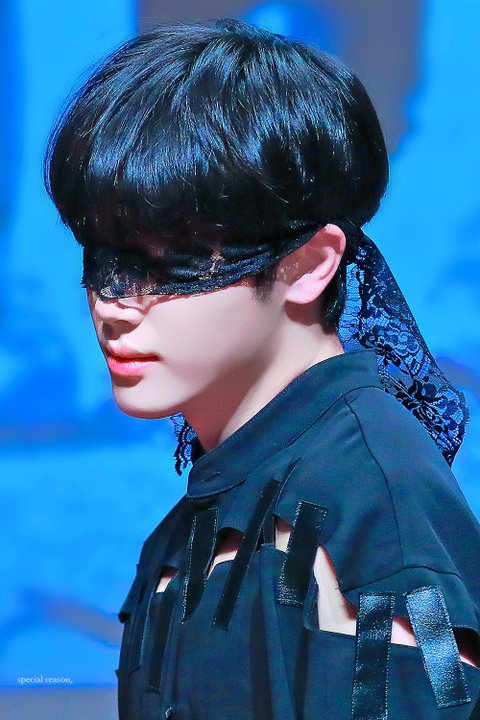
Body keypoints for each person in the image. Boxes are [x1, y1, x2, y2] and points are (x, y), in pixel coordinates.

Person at [43, 17, 480, 719]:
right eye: (105, 257)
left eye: (175, 263)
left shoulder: (376, 506)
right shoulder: (222, 498)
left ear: (308, 266)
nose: (114, 306)